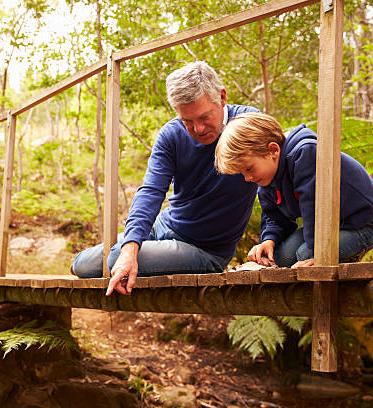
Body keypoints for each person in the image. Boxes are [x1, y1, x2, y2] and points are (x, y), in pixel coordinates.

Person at [71, 61, 259, 296]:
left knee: (110, 262)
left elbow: (274, 177)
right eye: (187, 121)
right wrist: (131, 248)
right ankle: (130, 250)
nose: (198, 129)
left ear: (221, 97)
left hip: (203, 250)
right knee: (84, 265)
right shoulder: (171, 134)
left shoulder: (248, 124)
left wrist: (272, 237)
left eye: (204, 117)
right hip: (163, 225)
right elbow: (150, 191)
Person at [214, 112, 373, 268]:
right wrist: (269, 239)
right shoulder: (267, 176)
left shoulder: (305, 154)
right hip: (325, 226)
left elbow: (317, 209)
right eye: (242, 173)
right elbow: (275, 216)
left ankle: (344, 263)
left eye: (249, 169)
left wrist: (317, 256)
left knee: (305, 255)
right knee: (280, 258)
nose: (247, 178)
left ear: (273, 150)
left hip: (363, 222)